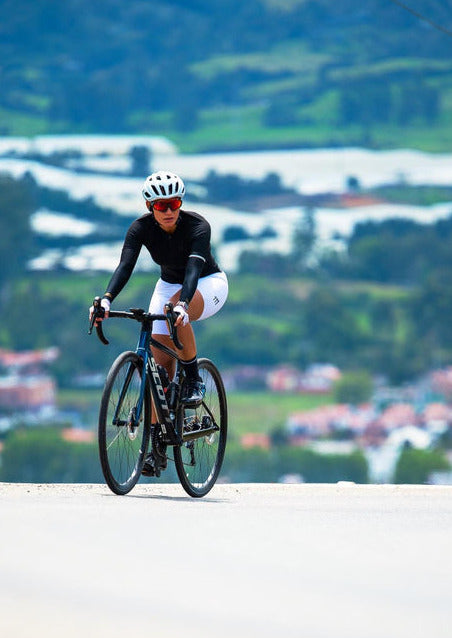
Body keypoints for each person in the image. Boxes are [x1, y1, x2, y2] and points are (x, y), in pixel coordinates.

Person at [90, 171, 228, 475]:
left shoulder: (198, 226)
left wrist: (182, 305)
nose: (168, 211)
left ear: (181, 203)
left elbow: (193, 270)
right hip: (167, 285)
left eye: (174, 203)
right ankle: (157, 450)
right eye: (160, 205)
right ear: (149, 206)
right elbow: (125, 265)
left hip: (207, 283)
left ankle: (193, 377)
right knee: (159, 369)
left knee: (174, 313)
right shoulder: (139, 229)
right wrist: (107, 299)